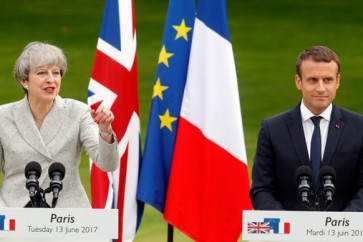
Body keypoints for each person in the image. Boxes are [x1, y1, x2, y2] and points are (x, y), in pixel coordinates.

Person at [0, 41, 119, 208]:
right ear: (24, 81)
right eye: (41, 73)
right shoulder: (3, 116)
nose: (51, 80)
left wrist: (105, 131)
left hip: (68, 216)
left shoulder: (78, 112)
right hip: (14, 214)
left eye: (56, 73)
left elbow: (108, 164)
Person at [250, 45, 363, 211]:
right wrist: (288, 228)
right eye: (312, 80)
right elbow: (262, 189)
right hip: (289, 234)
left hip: (343, 233)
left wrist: (340, 228)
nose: (321, 88)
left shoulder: (359, 127)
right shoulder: (272, 129)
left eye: (327, 80)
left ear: (337, 81)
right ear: (298, 81)